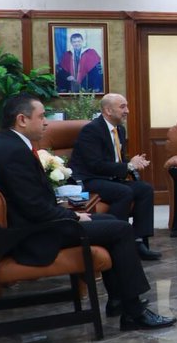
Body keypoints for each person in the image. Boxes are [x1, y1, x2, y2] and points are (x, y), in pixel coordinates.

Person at [0, 94, 175, 330]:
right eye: (42, 116)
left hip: (40, 224)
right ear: (22, 120)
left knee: (108, 220)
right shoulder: (13, 151)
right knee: (122, 228)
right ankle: (134, 312)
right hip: (38, 234)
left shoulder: (8, 144)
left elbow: (32, 200)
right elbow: (34, 207)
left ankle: (118, 300)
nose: (46, 122)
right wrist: (73, 216)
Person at [69, 93, 161, 262]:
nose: (127, 110)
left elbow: (116, 159)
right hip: (89, 179)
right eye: (122, 107)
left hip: (108, 177)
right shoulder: (92, 130)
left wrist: (130, 163)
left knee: (145, 189)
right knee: (123, 192)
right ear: (108, 110)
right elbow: (95, 164)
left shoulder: (119, 129)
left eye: (126, 106)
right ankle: (116, 241)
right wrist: (128, 166)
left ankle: (139, 241)